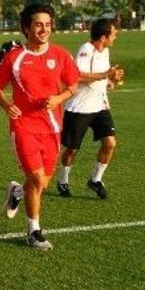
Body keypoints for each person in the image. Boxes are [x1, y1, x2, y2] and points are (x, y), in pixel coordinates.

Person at [0, 3, 80, 250]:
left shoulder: (61, 55)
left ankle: (17, 192)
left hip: (52, 127)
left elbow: (73, 85)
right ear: (26, 27)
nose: (44, 29)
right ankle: (33, 231)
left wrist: (59, 99)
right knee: (37, 178)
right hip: (24, 126)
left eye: (48, 24)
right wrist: (8, 106)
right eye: (38, 24)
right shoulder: (14, 58)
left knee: (41, 184)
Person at [57, 18, 124, 198]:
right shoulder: (86, 50)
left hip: (100, 106)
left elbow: (103, 79)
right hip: (80, 108)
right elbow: (76, 76)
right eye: (113, 34)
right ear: (103, 37)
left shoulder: (105, 52)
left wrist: (112, 80)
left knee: (110, 143)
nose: (115, 38)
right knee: (72, 149)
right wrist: (105, 75)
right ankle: (63, 181)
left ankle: (95, 180)